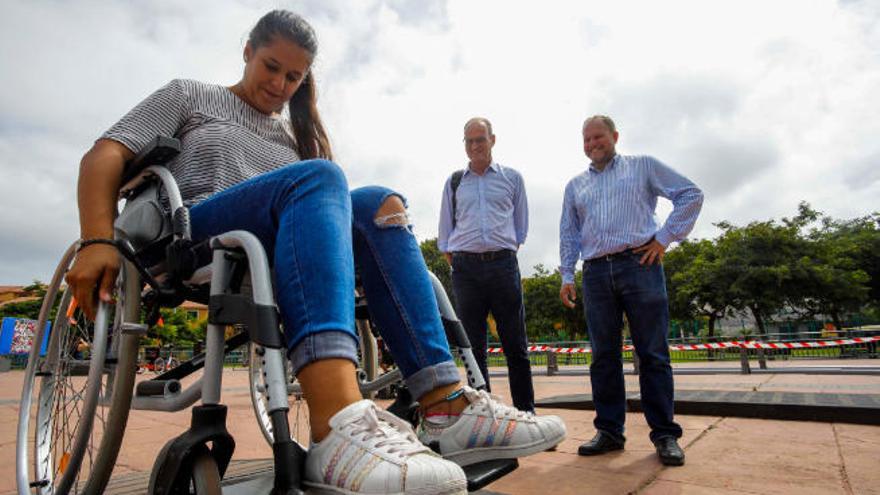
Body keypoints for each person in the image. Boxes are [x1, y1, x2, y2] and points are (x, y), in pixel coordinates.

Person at [65, 10, 565, 494]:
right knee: (322, 177)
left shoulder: (291, 139)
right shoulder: (190, 95)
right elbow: (105, 153)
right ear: (247, 51)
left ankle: (447, 406)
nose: (281, 85)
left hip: (273, 251)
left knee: (379, 204)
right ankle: (334, 427)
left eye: (294, 77)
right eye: (271, 68)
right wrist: (96, 239)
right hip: (193, 232)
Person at [558, 115, 703, 466]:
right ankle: (609, 431)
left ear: (615, 136)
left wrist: (664, 239)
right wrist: (567, 274)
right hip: (594, 273)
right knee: (603, 356)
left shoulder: (643, 167)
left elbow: (690, 194)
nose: (593, 144)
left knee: (652, 353)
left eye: (599, 137)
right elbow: (569, 232)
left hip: (639, 266)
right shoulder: (575, 185)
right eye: (587, 139)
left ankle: (665, 434)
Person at [437, 117, 535, 412]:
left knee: (515, 344)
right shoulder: (454, 182)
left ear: (493, 139)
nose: (475, 145)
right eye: (470, 141)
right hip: (466, 270)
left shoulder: (512, 178)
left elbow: (520, 228)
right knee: (472, 348)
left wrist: (498, 251)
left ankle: (526, 412)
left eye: (481, 139)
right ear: (464, 144)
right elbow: (445, 233)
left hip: (503, 265)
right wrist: (463, 259)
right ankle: (486, 413)